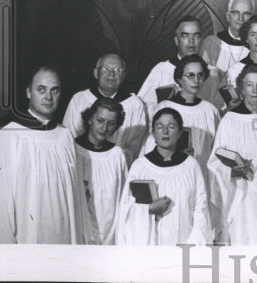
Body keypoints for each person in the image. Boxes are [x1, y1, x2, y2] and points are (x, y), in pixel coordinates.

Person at [0, 66, 84, 243]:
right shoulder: (10, 136)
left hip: (63, 236)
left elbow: (75, 198)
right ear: (28, 92)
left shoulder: (65, 137)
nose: (48, 97)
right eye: (41, 90)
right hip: (27, 236)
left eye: (54, 90)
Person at [208, 64, 257, 245]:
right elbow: (214, 162)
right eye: (249, 85)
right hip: (239, 195)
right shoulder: (230, 119)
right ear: (241, 87)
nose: (254, 91)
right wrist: (233, 172)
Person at [116, 108, 212, 245]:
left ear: (180, 133)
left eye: (171, 127)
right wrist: (149, 209)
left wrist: (194, 244)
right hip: (149, 248)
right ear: (153, 133)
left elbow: (200, 209)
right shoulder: (140, 166)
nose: (165, 132)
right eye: (160, 127)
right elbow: (126, 210)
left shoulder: (191, 165)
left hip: (184, 244)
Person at [62, 52, 149, 165]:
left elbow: (136, 145)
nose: (111, 74)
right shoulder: (80, 99)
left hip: (117, 167)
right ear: (96, 73)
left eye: (117, 70)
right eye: (105, 69)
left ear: (124, 76)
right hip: (82, 163)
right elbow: (69, 137)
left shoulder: (134, 104)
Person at [142, 55, 220, 166]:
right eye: (190, 75)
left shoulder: (210, 110)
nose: (196, 80)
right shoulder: (164, 108)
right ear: (179, 79)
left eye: (200, 75)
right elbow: (150, 146)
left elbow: (216, 149)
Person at [137, 16, 223, 109]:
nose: (191, 41)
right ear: (177, 40)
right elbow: (142, 107)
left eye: (196, 36)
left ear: (201, 40)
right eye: (185, 36)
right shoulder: (162, 70)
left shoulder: (211, 73)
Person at [74, 98, 128, 244]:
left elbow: (123, 197)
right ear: (90, 119)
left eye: (110, 124)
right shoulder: (73, 150)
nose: (104, 128)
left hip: (109, 230)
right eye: (100, 120)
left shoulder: (117, 155)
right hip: (81, 228)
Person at [201, 0, 254, 73]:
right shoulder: (211, 43)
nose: (241, 18)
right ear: (228, 16)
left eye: (246, 14)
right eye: (236, 13)